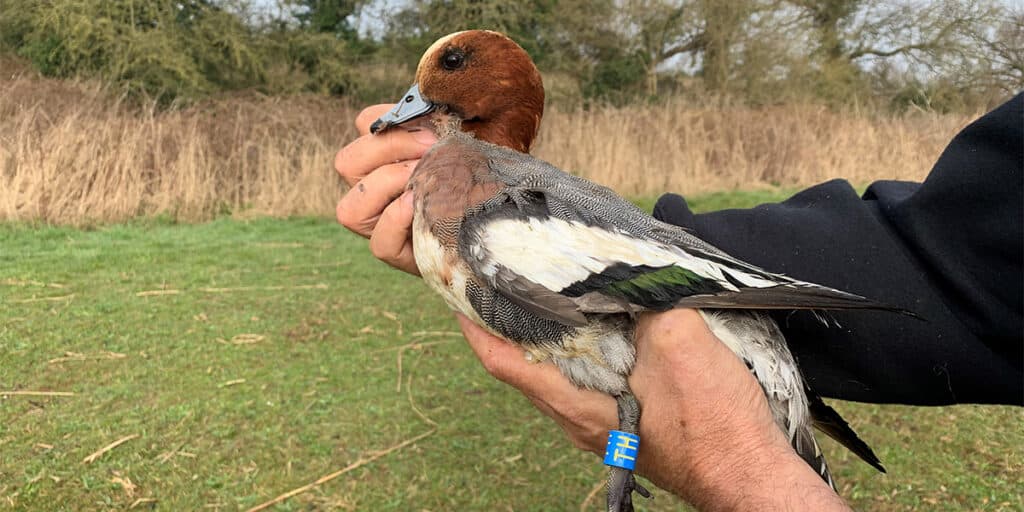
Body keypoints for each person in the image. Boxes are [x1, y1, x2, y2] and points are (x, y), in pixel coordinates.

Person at [334, 94, 1022, 510]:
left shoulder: (505, 213)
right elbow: (945, 247)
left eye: (441, 73)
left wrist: (739, 469)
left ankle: (627, 462)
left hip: (698, 307)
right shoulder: (499, 194)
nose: (408, 103)